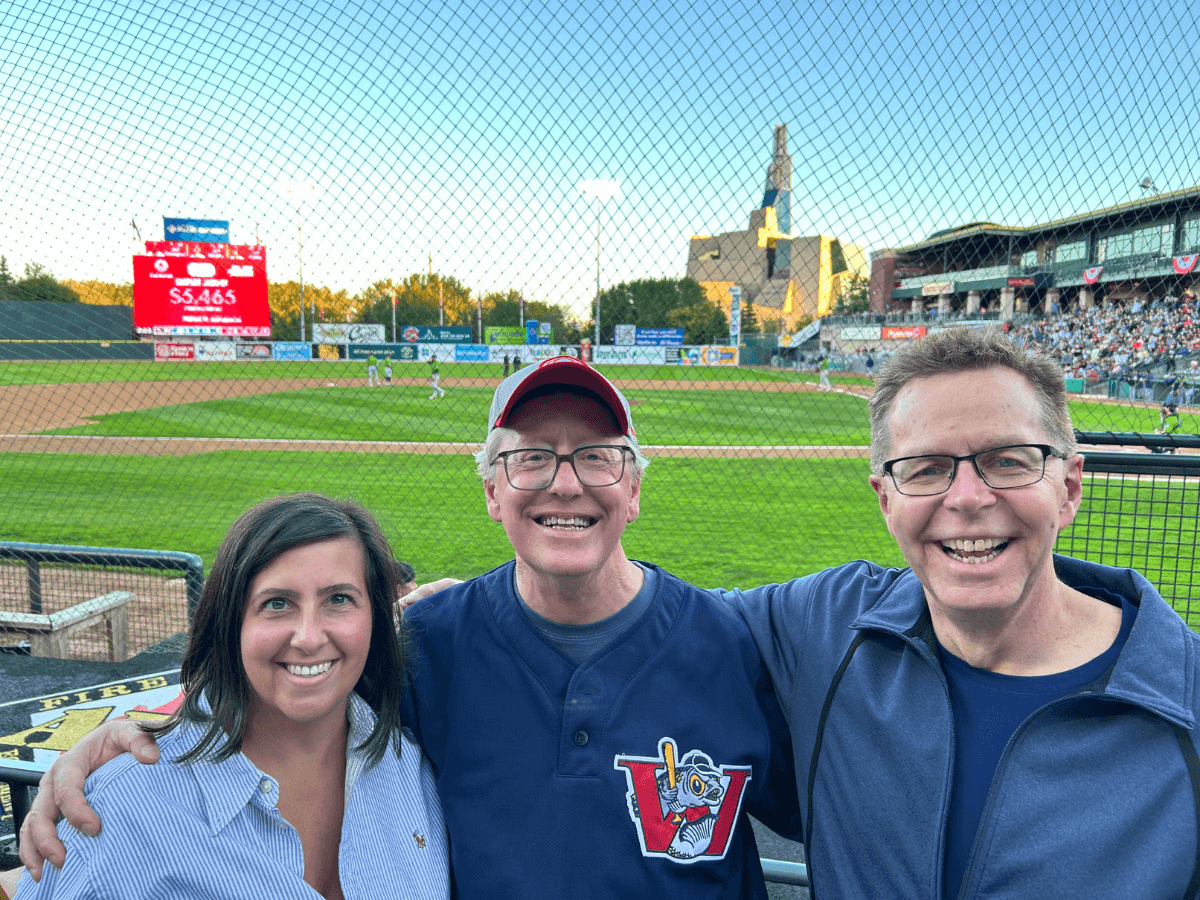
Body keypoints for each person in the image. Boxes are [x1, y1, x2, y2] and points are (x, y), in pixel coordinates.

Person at [19, 358, 800, 899]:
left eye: (597, 457)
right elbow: (286, 680)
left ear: (632, 486)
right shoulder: (426, 643)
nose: (565, 481)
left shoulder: (735, 645)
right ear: (492, 489)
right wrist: (131, 741)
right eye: (530, 458)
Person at [716, 328, 1200, 898]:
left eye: (1008, 461)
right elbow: (648, 616)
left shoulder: (1186, 699)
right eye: (925, 469)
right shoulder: (821, 624)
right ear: (885, 501)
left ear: (1068, 488)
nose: (968, 498)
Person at [13, 494, 448, 900]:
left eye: (339, 598)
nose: (310, 638)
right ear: (230, 623)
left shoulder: (412, 766)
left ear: (375, 616)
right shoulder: (121, 806)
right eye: (277, 604)